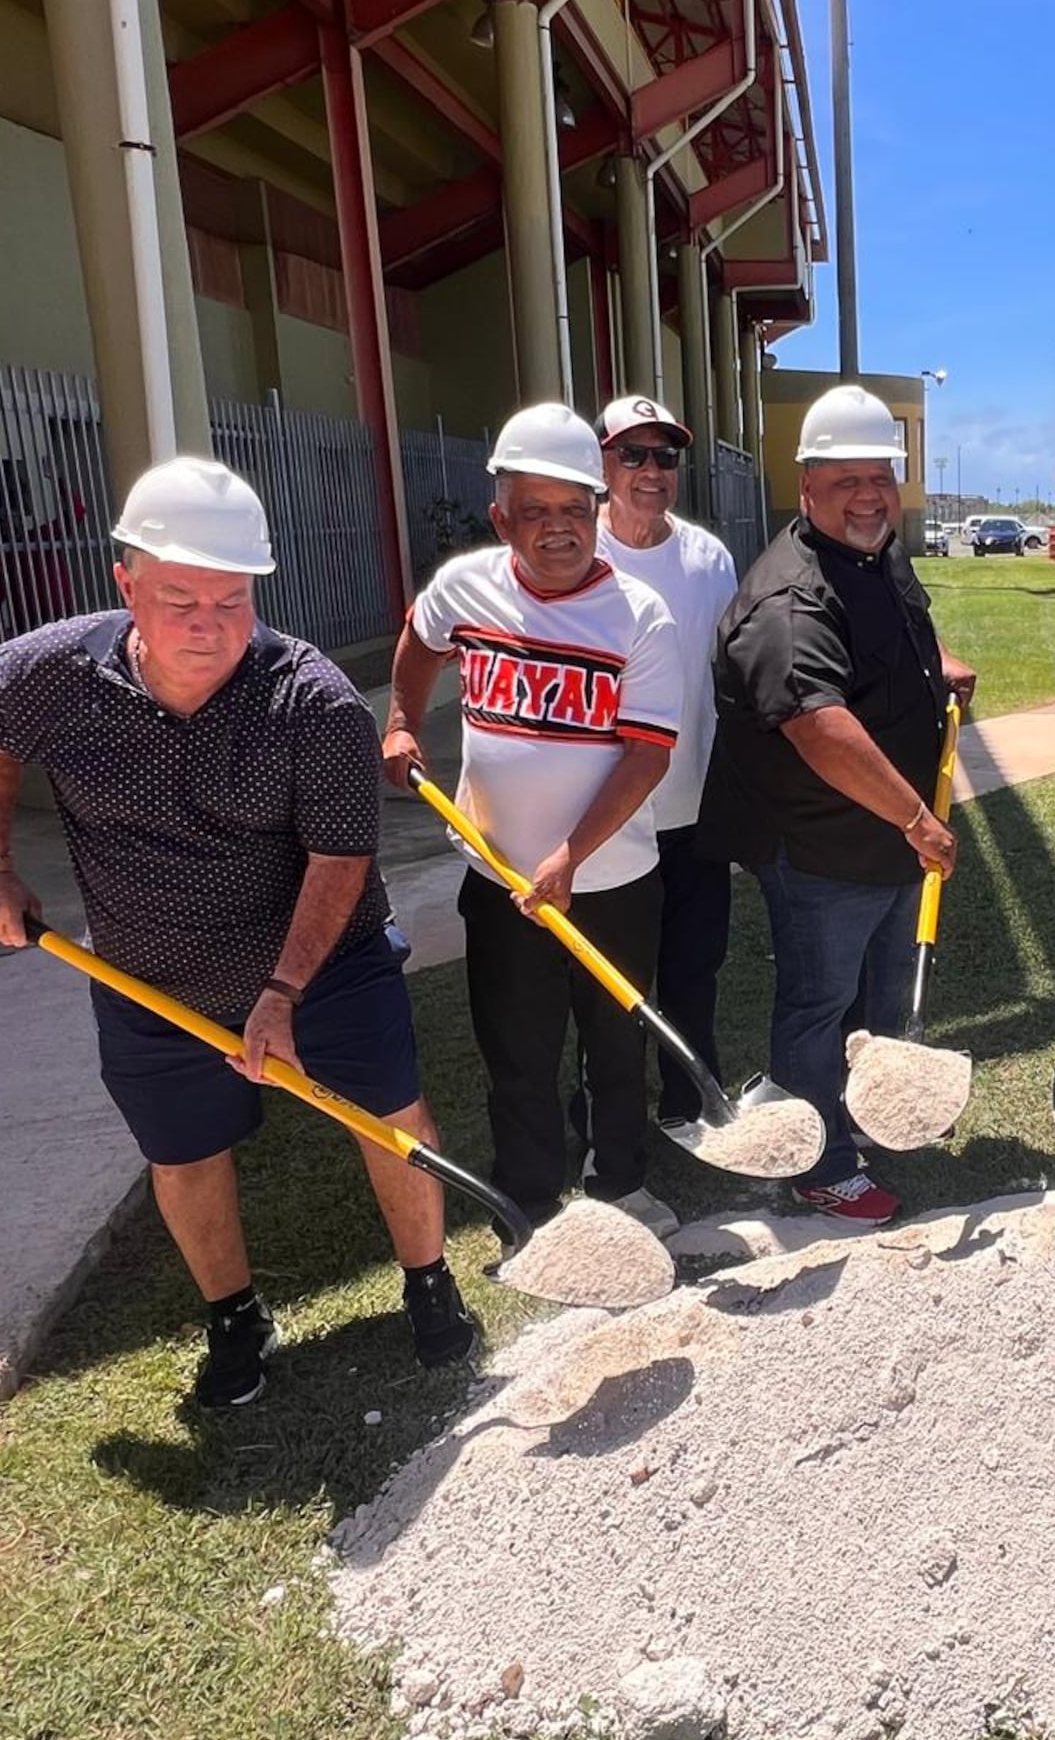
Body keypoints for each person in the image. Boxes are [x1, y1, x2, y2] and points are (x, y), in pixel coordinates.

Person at [0, 457, 475, 1408]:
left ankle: (430, 1283)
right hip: (150, 976)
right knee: (184, 1152)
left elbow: (338, 859)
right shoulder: (49, 673)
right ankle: (235, 1318)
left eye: (231, 601)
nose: (209, 624)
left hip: (326, 965)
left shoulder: (309, 699)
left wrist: (282, 995)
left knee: (391, 1117)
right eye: (180, 599)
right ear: (127, 585)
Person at [382, 403, 682, 1239]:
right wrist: (402, 720)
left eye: (575, 510)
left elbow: (646, 757)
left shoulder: (640, 616)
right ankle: (533, 1201)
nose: (559, 529)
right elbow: (421, 639)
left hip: (612, 883)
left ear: (597, 510)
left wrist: (570, 857)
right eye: (536, 511)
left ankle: (621, 1186)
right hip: (499, 879)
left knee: (614, 1043)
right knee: (517, 1049)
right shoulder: (464, 587)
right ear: (501, 519)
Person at [698, 383, 978, 1224]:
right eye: (846, 480)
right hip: (820, 847)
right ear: (807, 486)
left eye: (880, 477)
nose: (868, 496)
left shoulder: (874, 551)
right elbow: (820, 727)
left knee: (879, 995)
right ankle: (815, 1163)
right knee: (820, 1005)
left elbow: (898, 625)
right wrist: (918, 819)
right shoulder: (788, 601)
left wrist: (937, 666)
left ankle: (865, 1117)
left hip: (884, 840)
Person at [592, 395, 740, 1157]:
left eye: (665, 456)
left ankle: (692, 1101)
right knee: (611, 985)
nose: (651, 471)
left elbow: (730, 676)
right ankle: (606, 1125)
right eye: (633, 454)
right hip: (608, 822)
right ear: (601, 464)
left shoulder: (708, 559)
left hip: (693, 815)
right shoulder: (576, 556)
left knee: (693, 971)